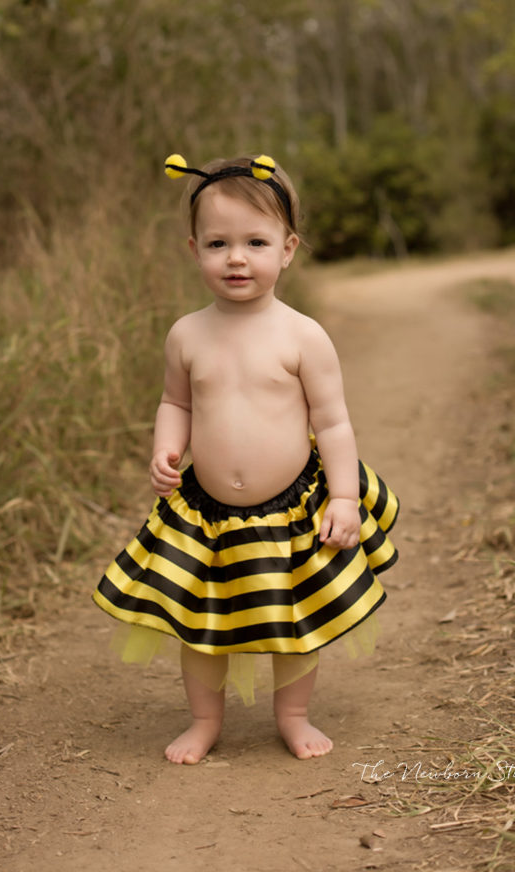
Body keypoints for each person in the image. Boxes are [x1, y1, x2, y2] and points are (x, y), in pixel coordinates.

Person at [93, 153, 399, 765]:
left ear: (287, 249)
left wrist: (343, 497)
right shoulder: (186, 334)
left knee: (293, 620)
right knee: (203, 623)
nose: (236, 257)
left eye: (254, 242)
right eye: (218, 242)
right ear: (194, 249)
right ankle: (205, 721)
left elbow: (333, 422)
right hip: (206, 514)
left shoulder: (302, 335)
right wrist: (166, 447)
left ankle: (294, 715)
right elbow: (174, 401)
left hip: (290, 512)